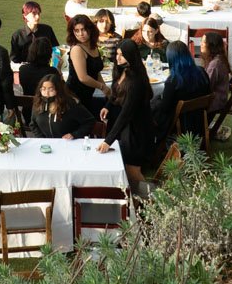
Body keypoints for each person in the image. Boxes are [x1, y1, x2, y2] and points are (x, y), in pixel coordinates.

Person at [98, 39, 155, 192]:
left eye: (121, 55)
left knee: (133, 171)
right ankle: (138, 200)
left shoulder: (136, 80)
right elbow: (115, 91)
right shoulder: (122, 70)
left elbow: (126, 113)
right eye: (117, 54)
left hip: (137, 129)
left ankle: (154, 202)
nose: (117, 58)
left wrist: (108, 140)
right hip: (128, 129)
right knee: (128, 169)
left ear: (130, 56)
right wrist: (108, 106)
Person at [151, 40, 211, 145]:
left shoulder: (173, 80)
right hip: (199, 120)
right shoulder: (201, 72)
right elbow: (208, 94)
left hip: (180, 123)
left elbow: (165, 108)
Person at [65, 14, 110, 117]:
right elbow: (83, 77)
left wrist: (107, 90)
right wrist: (102, 87)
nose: (81, 34)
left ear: (90, 29)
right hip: (74, 96)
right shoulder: (77, 49)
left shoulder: (93, 46)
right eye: (77, 30)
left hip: (87, 95)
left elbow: (96, 71)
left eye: (83, 29)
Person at [30, 71, 94, 140]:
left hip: (68, 143)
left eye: (51, 90)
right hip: (46, 145)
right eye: (43, 89)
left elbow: (90, 121)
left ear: (59, 90)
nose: (46, 93)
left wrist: (74, 134)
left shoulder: (70, 104)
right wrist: (42, 139)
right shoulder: (38, 103)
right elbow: (33, 124)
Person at [9, 1, 58, 66]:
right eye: (34, 14)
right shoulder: (17, 36)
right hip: (26, 70)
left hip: (45, 68)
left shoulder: (47, 30)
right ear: (25, 16)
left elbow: (56, 50)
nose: (37, 17)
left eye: (38, 13)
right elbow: (14, 60)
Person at [18, 33, 55, 99]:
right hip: (45, 107)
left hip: (27, 107)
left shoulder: (23, 69)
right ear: (49, 53)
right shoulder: (52, 72)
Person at [202, 31, 231, 115]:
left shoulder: (215, 64)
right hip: (219, 98)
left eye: (204, 42)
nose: (201, 44)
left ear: (211, 45)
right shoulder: (218, 59)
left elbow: (207, 87)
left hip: (215, 102)